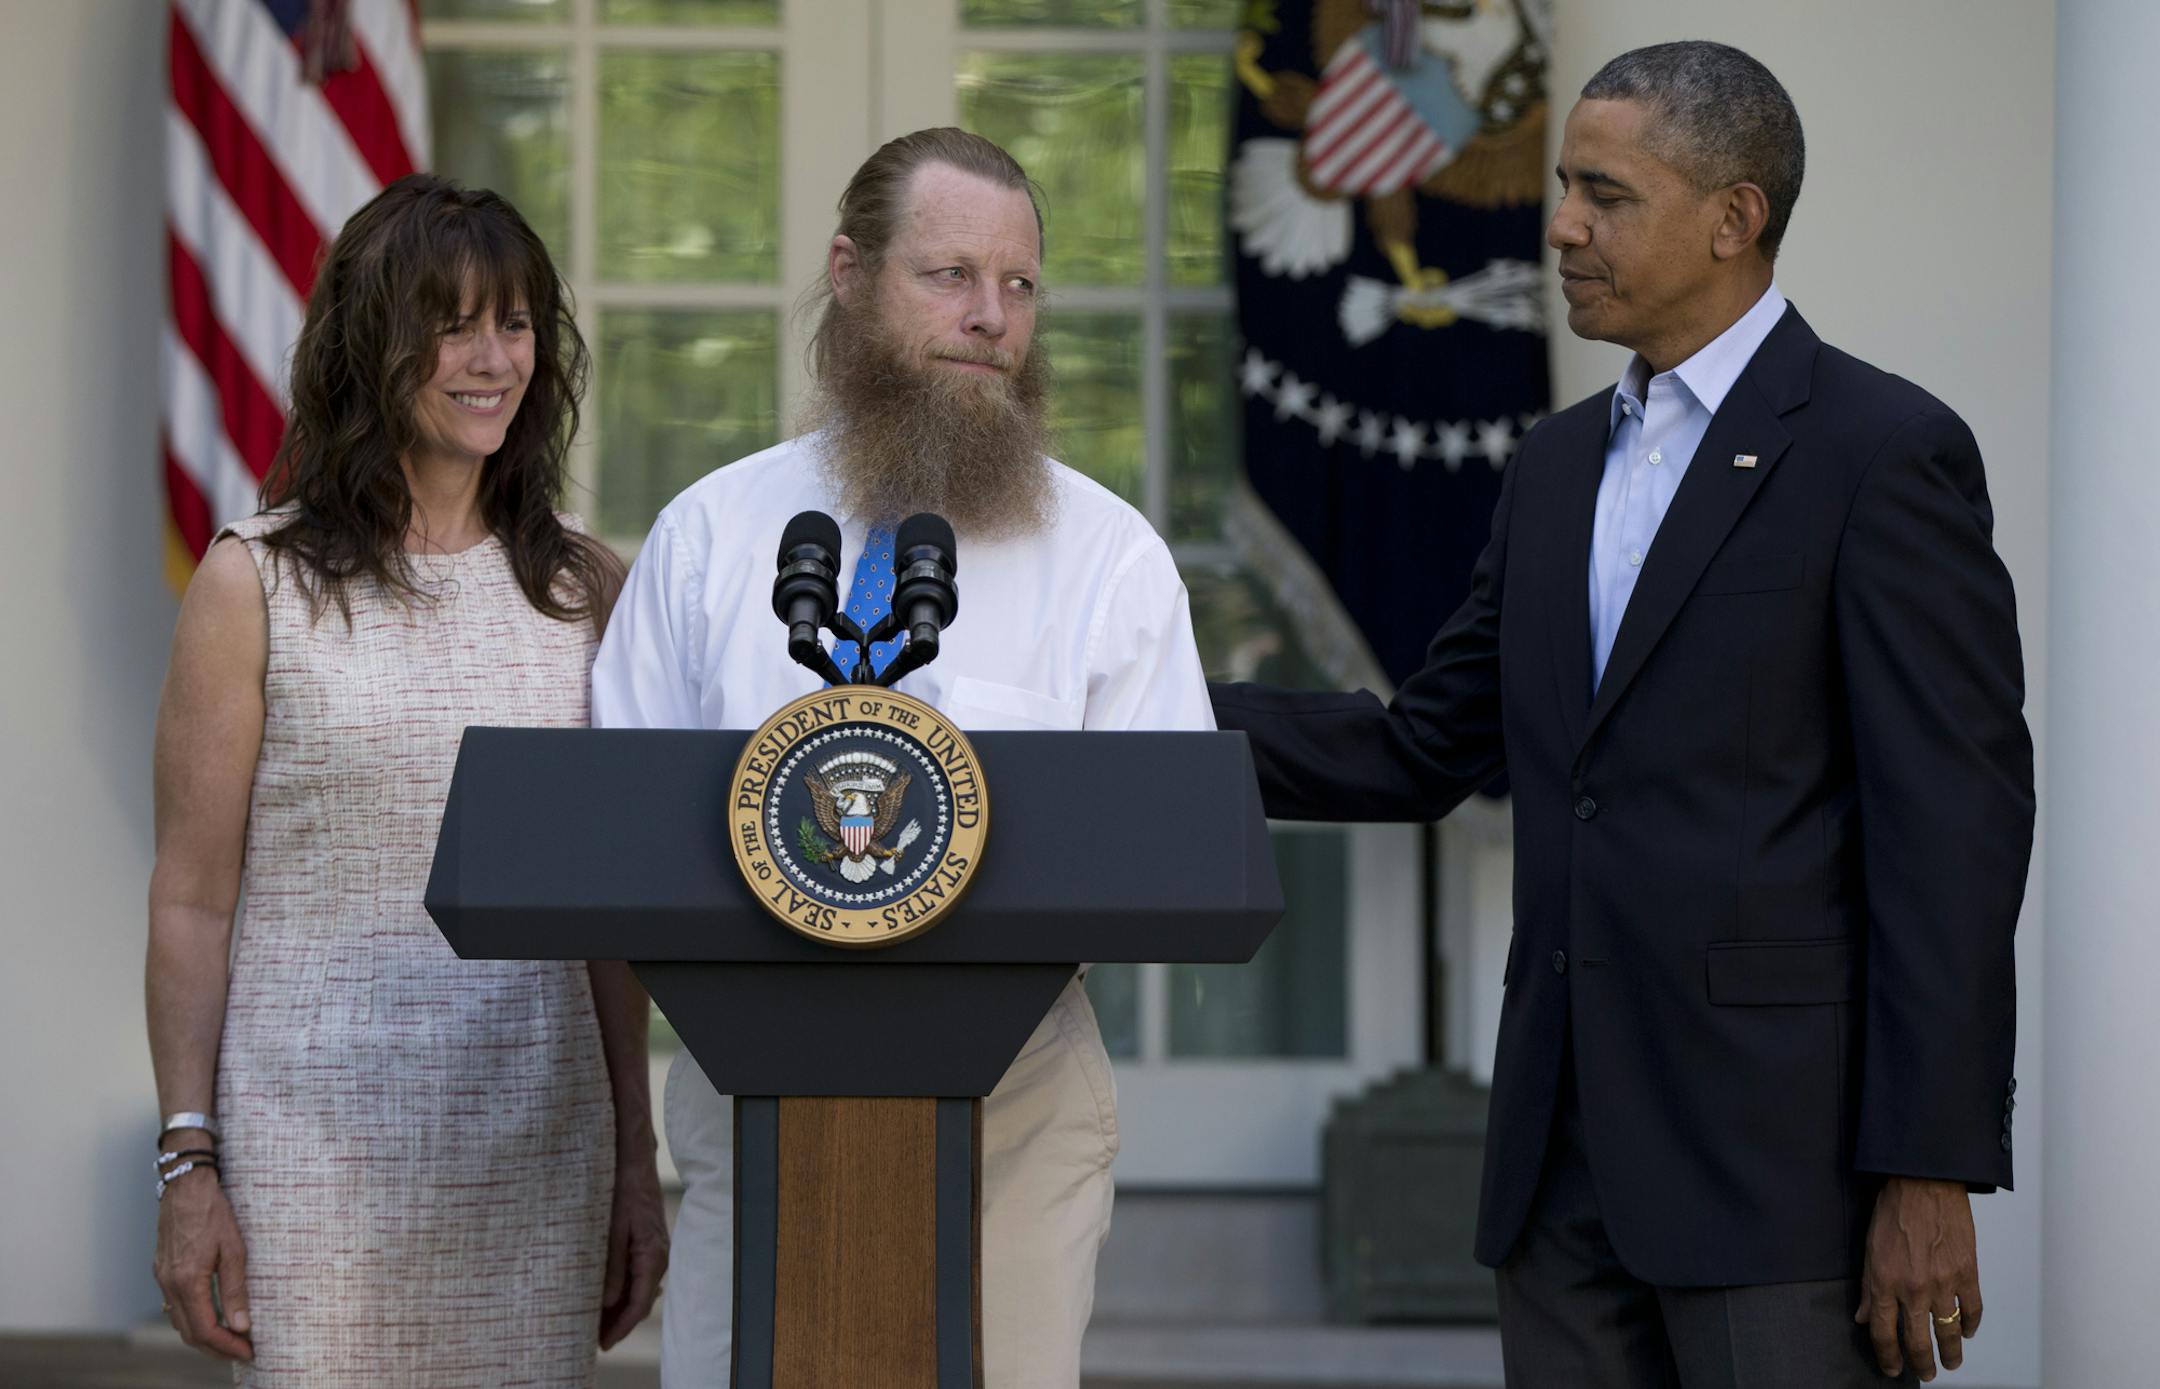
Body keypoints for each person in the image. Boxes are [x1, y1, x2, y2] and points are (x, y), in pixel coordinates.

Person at [1212, 42, 2032, 1389]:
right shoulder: (1548, 465)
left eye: (1605, 193)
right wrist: (1142, 721)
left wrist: (1928, 1169)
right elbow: (1425, 746)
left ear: (1734, 218)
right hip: (1557, 1172)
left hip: (1782, 1181)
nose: (1561, 226)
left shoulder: (1882, 454)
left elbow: (1953, 835)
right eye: (1562, 187)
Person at [590, 127, 1212, 1389]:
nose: (991, 317)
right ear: (851, 272)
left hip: (1019, 1104)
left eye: (1021, 285)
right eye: (949, 276)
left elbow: (1171, 844)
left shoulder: (1110, 555)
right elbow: (617, 832)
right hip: (748, 1087)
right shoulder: (712, 535)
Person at [146, 174, 668, 1386]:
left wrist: (634, 1163)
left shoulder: (588, 590)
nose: (494, 359)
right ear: (372, 344)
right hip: (310, 1146)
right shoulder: (252, 584)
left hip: (538, 1149)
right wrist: (189, 1164)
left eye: (518, 321)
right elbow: (191, 901)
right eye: (453, 323)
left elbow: (610, 920)